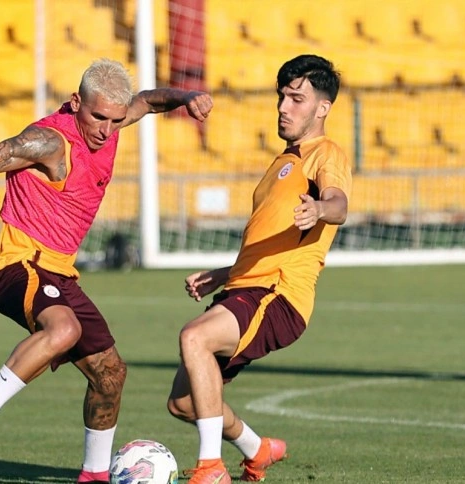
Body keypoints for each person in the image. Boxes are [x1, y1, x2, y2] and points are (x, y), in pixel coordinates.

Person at [0, 58, 213, 483]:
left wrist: (187, 97)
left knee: (110, 373)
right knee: (65, 330)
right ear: (76, 102)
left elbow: (148, 101)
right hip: (18, 264)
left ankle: (94, 475)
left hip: (59, 274)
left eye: (115, 120)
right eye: (98, 117)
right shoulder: (48, 142)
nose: (106, 130)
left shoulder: (111, 122)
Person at [166, 54, 351, 484]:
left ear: (322, 107)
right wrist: (224, 274)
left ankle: (211, 468)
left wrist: (320, 209)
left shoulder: (326, 154)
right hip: (245, 288)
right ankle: (257, 449)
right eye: (282, 97)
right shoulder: (281, 162)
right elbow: (268, 239)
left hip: (278, 295)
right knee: (184, 403)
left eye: (297, 99)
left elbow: (339, 204)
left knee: (194, 337)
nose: (284, 107)